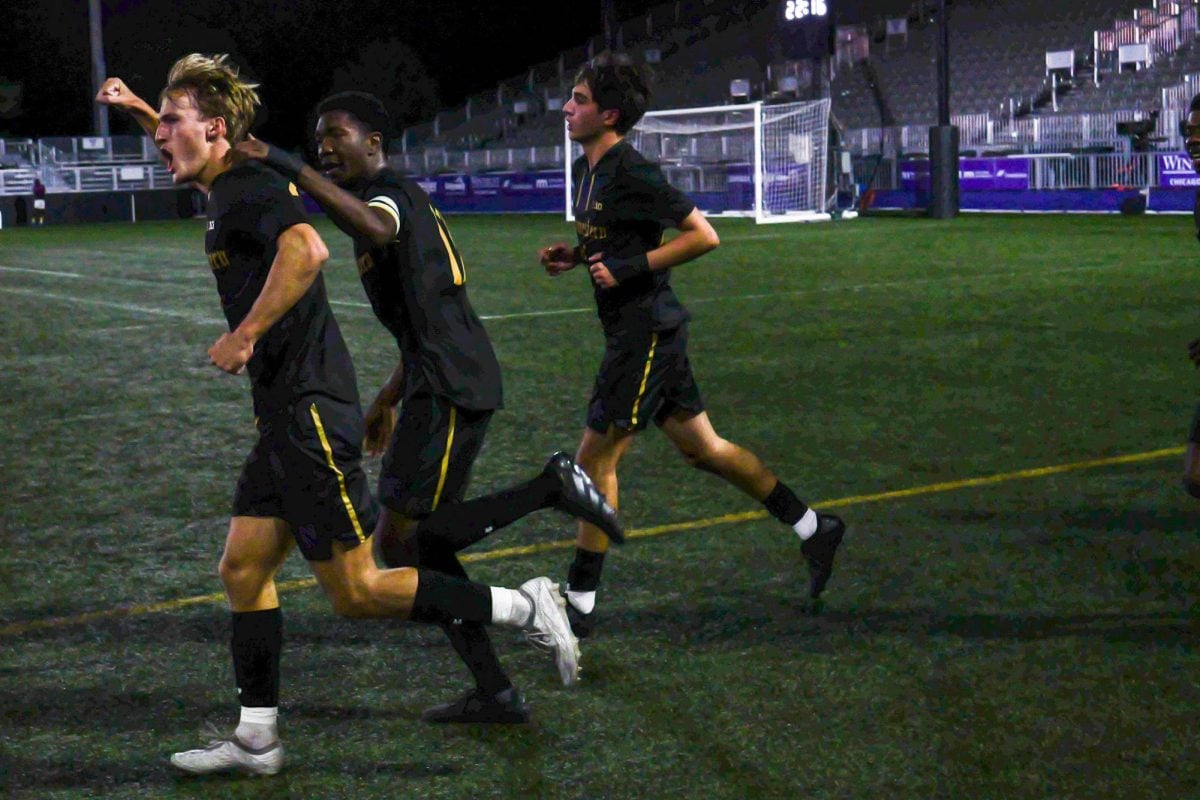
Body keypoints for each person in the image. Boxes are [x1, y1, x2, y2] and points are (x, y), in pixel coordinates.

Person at [96, 55, 582, 777]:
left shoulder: (248, 189)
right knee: (241, 569)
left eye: (172, 123)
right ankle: (257, 739)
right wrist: (142, 106)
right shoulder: (227, 181)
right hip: (285, 417)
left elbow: (309, 247)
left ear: (218, 128)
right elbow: (192, 149)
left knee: (358, 591)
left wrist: (247, 332)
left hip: (308, 414)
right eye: (158, 124)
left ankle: (525, 607)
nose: (160, 136)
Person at [229, 90, 623, 724]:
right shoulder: (385, 202)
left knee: (404, 540)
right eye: (317, 138)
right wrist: (387, 399)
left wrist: (285, 163)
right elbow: (421, 322)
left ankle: (549, 488)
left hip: (449, 383)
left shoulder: (390, 196)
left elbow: (377, 227)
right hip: (438, 378)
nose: (325, 146)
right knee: (422, 549)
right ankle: (495, 691)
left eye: (338, 135)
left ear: (374, 144)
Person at [537, 53, 847, 638]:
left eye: (578, 100)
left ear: (609, 114)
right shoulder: (590, 169)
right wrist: (574, 256)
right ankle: (813, 528)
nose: (567, 108)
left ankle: (576, 606)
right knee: (704, 449)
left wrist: (629, 269)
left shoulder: (632, 169)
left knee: (593, 461)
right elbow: (614, 239)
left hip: (644, 334)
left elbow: (704, 235)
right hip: (646, 333)